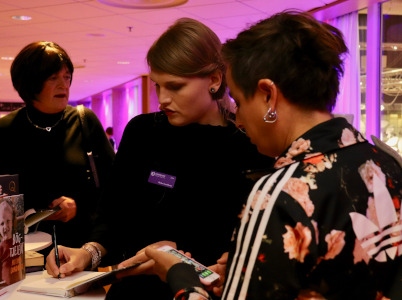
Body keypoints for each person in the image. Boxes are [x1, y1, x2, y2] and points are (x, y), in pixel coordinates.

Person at [118, 10, 402, 300]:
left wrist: (178, 274)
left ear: (268, 94)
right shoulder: (384, 164)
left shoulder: (280, 192)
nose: (238, 119)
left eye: (240, 102)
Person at [45, 18, 274, 300]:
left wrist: (172, 257)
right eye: (157, 86)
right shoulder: (142, 132)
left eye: (175, 87)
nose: (163, 99)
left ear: (214, 80)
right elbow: (113, 216)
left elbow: (238, 248)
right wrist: (88, 252)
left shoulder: (246, 149)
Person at [0, 41, 115, 254]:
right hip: (18, 253)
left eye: (67, 77)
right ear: (30, 83)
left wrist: (78, 206)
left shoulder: (84, 122)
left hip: (77, 249)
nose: (63, 85)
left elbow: (114, 186)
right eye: (53, 78)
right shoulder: (2, 132)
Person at [0, 199, 20, 285]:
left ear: (12, 221)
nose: (5, 226)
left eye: (8, 221)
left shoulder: (17, 243)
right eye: (2, 223)